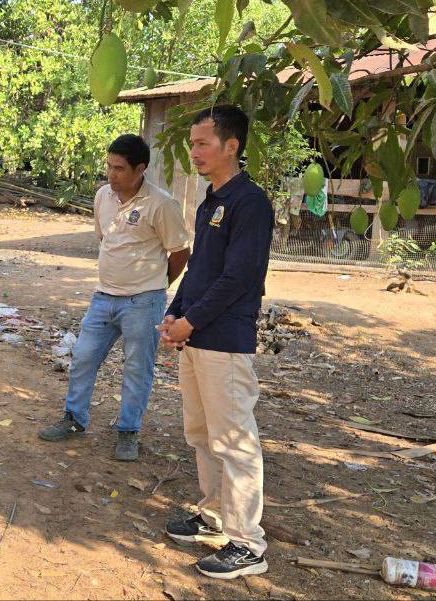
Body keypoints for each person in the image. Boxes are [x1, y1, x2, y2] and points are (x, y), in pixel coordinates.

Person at [157, 105, 273, 580]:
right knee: (202, 434)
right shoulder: (211, 201)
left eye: (203, 143)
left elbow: (237, 278)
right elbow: (201, 267)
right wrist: (175, 310)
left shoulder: (251, 203)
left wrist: (192, 322)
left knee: (235, 441)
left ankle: (248, 544)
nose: (195, 152)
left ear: (232, 146)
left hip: (225, 340)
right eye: (192, 144)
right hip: (196, 336)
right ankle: (213, 516)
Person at [39, 134, 190, 461]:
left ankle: (127, 432)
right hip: (103, 298)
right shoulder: (103, 197)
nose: (111, 174)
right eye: (108, 166)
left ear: (140, 169)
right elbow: (105, 239)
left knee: (137, 369)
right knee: (83, 357)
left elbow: (180, 252)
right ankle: (74, 420)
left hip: (143, 302)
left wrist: (157, 284)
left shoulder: (161, 204)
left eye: (119, 168)